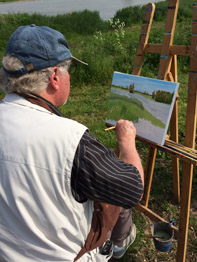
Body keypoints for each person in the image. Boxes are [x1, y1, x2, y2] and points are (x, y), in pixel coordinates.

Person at [0, 25, 144, 262]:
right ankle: (118, 245)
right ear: (55, 77)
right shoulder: (73, 141)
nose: (70, 78)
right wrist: (127, 142)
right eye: (68, 71)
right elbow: (133, 188)